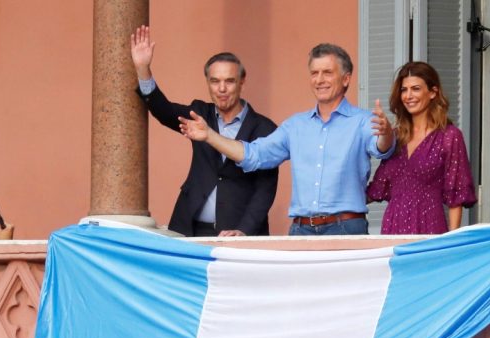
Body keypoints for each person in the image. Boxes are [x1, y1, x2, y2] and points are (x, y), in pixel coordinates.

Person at [178, 43, 395, 235]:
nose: (319, 80)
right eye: (314, 73)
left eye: (327, 72)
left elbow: (382, 147)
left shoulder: (363, 120)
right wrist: (210, 136)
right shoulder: (295, 125)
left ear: (346, 78)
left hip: (346, 228)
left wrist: (386, 133)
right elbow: (254, 155)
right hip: (302, 230)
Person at [130, 26, 278, 237]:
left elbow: (265, 191)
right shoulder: (200, 113)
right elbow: (163, 110)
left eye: (229, 81)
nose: (222, 89)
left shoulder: (265, 128)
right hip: (189, 227)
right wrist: (143, 69)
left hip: (235, 233)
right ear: (208, 83)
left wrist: (244, 230)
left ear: (242, 82)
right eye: (215, 81)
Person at [366, 62, 476, 234]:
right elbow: (377, 189)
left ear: (433, 92)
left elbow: (456, 196)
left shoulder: (449, 136)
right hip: (392, 228)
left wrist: (452, 242)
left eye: (415, 88)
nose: (408, 96)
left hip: (429, 227)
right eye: (404, 90)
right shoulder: (396, 137)